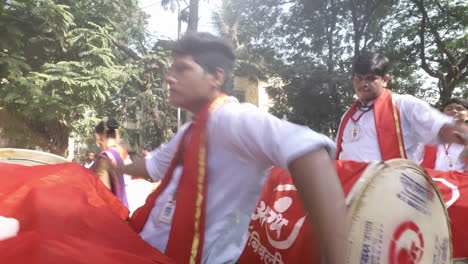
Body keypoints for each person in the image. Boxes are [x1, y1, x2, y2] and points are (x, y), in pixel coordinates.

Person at [121, 32, 347, 264]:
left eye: (182, 69)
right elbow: (151, 167)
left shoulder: (231, 118)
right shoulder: (189, 132)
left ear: (216, 77)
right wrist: (112, 163)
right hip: (147, 251)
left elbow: (310, 152)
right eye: (171, 70)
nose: (169, 78)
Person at [336, 51, 468, 162]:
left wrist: (463, 134)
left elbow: (440, 125)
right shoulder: (348, 115)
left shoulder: (404, 105)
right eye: (358, 78)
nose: (363, 83)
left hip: (393, 187)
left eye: (370, 78)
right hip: (350, 188)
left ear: (385, 80)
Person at [92, 118, 131, 208]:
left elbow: (104, 191)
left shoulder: (105, 157)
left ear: (100, 136)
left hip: (110, 210)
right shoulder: (119, 153)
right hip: (122, 206)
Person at [421, 98, 468, 172]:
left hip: (461, 181)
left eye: (459, 109)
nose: (454, 111)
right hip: (429, 178)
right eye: (449, 109)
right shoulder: (430, 133)